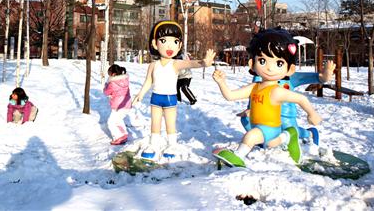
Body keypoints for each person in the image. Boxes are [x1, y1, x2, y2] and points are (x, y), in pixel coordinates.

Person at [212, 28, 322, 167]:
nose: (270, 68)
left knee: (251, 136)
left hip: (270, 128)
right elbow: (230, 96)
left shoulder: (276, 91)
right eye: (263, 61)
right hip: (263, 129)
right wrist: (222, 83)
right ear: (252, 64)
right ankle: (289, 136)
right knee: (271, 143)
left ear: (290, 69)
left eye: (279, 63)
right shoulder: (254, 87)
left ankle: (238, 156)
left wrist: (312, 113)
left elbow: (301, 99)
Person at [132, 20, 215, 160]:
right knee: (155, 122)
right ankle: (153, 144)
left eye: (175, 42)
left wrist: (204, 63)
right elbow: (148, 81)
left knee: (170, 123)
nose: (170, 46)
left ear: (180, 45)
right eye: (164, 40)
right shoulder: (153, 65)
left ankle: (172, 144)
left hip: (170, 98)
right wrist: (140, 94)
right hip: (156, 98)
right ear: (154, 44)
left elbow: (191, 63)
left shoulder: (176, 64)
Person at [238, 58, 334, 146]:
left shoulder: (290, 77)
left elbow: (315, 78)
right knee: (246, 120)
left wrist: (325, 75)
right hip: (265, 113)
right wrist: (250, 109)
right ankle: (261, 140)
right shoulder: (260, 77)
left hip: (284, 114)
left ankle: (310, 133)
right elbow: (255, 94)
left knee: (289, 129)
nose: (270, 68)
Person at [103, 64, 132, 145]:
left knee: (111, 122)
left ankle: (118, 137)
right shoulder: (125, 80)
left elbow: (106, 92)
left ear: (113, 74)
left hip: (118, 106)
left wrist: (105, 85)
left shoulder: (112, 83)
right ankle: (124, 135)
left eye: (109, 74)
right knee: (118, 120)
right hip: (126, 104)